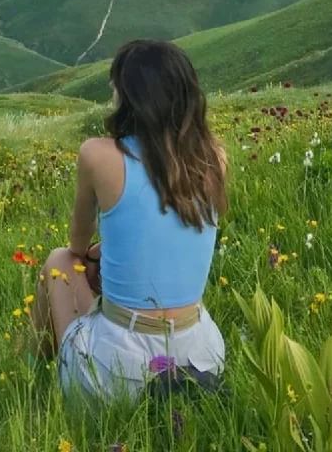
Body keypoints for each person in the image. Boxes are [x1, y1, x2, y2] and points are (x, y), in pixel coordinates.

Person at [31, 39, 228, 400]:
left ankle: (31, 371)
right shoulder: (213, 157)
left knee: (60, 260)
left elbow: (77, 245)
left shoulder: (98, 154)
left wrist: (94, 254)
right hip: (202, 359)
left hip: (118, 372)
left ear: (128, 96)